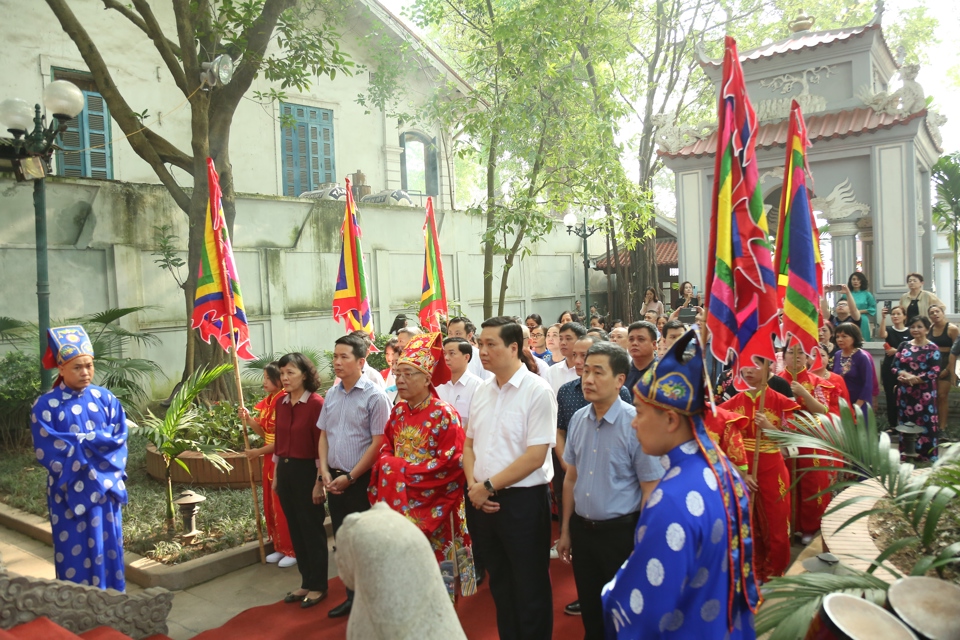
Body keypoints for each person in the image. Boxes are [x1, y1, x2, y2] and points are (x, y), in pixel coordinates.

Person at [602, 330, 760, 638]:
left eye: (641, 412)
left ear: (671, 420)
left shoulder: (672, 498)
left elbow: (644, 607)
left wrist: (611, 593)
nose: (634, 422)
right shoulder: (720, 469)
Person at [555, 342, 663, 638]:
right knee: (591, 614)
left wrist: (643, 542)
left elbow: (650, 489)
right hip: (584, 534)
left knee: (624, 614)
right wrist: (565, 530)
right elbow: (570, 480)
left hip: (621, 535)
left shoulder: (636, 424)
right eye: (586, 371)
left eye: (597, 372)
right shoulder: (578, 419)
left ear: (619, 380)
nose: (587, 379)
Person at [464, 316, 557, 640]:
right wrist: (474, 487)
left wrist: (488, 486)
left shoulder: (537, 391)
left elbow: (535, 456)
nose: (483, 351)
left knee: (529, 586)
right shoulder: (483, 391)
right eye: (480, 344)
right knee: (500, 584)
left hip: (522, 503)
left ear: (514, 347)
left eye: (491, 344)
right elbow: (469, 445)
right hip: (481, 500)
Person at [368, 333, 477, 599]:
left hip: (438, 502)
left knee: (442, 573)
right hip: (404, 499)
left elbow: (451, 462)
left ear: (427, 378)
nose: (400, 380)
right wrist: (391, 467)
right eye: (398, 374)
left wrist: (402, 473)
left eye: (408, 374)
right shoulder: (398, 412)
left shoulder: (444, 413)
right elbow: (387, 448)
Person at [30, 326, 128, 591]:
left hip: (105, 491)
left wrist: (84, 445)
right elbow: (48, 449)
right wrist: (93, 443)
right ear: (61, 369)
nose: (85, 372)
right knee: (73, 550)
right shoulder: (45, 405)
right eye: (77, 367)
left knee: (110, 548)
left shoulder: (106, 399)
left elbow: (119, 439)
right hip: (68, 491)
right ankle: (75, 608)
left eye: (89, 366)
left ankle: (114, 603)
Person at [317, 334, 392, 618]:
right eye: (335, 356)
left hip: (361, 482)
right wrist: (324, 471)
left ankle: (375, 602)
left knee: (367, 543)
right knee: (344, 542)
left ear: (361, 361)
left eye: (343, 357)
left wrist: (350, 476)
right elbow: (324, 434)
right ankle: (353, 597)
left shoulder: (375, 396)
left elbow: (379, 443)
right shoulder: (332, 394)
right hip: (333, 480)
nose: (337, 362)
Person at [720, 362, 799, 582]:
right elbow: (720, 444)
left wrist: (769, 428)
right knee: (745, 521)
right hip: (742, 469)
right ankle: (750, 570)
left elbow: (793, 441)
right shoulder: (730, 406)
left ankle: (774, 573)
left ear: (768, 367)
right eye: (745, 366)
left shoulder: (782, 402)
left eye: (755, 366)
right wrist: (740, 473)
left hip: (772, 467)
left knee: (776, 522)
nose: (748, 371)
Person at [272, 352, 326, 608]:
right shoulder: (280, 403)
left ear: (304, 374)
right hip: (285, 471)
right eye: (282, 373)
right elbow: (279, 442)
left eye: (290, 372)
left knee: (311, 529)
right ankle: (305, 580)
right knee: (295, 528)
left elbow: (320, 446)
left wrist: (319, 482)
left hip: (308, 473)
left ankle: (319, 585)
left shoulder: (316, 404)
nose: (285, 378)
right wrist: (275, 476)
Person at [239, 363, 295, 567]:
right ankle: (279, 546)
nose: (264, 382)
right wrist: (249, 420)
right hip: (268, 457)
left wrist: (257, 452)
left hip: (279, 456)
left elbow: (282, 440)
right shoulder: (269, 401)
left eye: (267, 378)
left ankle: (292, 549)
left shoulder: (283, 401)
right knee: (270, 503)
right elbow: (265, 434)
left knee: (282, 503)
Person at [779, 347, 835, 545]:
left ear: (807, 357)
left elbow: (822, 411)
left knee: (812, 481)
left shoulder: (816, 382)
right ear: (783, 356)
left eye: (800, 353)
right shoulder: (775, 381)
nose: (795, 357)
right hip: (781, 438)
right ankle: (786, 526)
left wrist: (804, 393)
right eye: (791, 353)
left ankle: (809, 527)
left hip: (810, 437)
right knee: (783, 483)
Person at [892, 315, 941, 461]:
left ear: (927, 329)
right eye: (912, 327)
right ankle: (907, 455)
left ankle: (927, 457)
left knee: (927, 424)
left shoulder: (933, 348)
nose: (915, 330)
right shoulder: (903, 346)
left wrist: (916, 379)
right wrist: (905, 376)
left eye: (919, 327)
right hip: (905, 393)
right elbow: (894, 366)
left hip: (925, 394)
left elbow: (935, 371)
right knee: (906, 423)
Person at [437, 337, 484, 428]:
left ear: (466, 357)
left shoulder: (477, 386)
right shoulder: (437, 384)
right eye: (444, 354)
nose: (446, 358)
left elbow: (476, 422)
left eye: (452, 354)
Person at [878, 305, 910, 430]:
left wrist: (896, 351)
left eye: (898, 314)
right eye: (893, 314)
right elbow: (881, 335)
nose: (895, 316)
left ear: (904, 316)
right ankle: (892, 425)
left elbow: (912, 350)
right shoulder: (889, 330)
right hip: (889, 367)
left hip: (905, 368)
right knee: (890, 396)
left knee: (904, 396)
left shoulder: (910, 332)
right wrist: (883, 318)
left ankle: (906, 424)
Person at [832, 322, 875, 415]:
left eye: (844, 336)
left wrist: (856, 408)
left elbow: (867, 385)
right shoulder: (837, 354)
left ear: (854, 337)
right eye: (837, 336)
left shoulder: (862, 357)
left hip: (859, 404)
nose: (839, 339)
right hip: (841, 402)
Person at [927, 304, 957, 434]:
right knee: (931, 397)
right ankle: (932, 424)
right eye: (932, 313)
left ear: (943, 313)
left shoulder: (952, 329)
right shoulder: (929, 329)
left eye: (937, 311)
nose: (935, 314)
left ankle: (943, 428)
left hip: (948, 361)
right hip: (932, 362)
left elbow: (957, 351)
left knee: (942, 395)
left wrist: (949, 369)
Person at [448, 316, 493, 381]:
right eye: (450, 333)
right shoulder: (443, 356)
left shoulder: (480, 356)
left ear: (469, 336)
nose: (453, 337)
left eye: (457, 333)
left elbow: (488, 382)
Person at [547, 322, 587, 394]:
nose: (563, 343)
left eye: (568, 339)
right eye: (561, 339)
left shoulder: (586, 371)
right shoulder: (551, 371)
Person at [839, 272, 876, 337]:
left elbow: (872, 308)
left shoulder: (867, 294)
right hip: (848, 318)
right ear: (850, 281)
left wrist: (857, 312)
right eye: (853, 279)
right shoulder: (846, 295)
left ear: (862, 281)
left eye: (858, 280)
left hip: (862, 319)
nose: (856, 281)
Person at [624, 321, 657, 391]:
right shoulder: (621, 372)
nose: (634, 343)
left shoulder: (664, 372)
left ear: (654, 345)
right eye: (631, 339)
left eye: (641, 339)